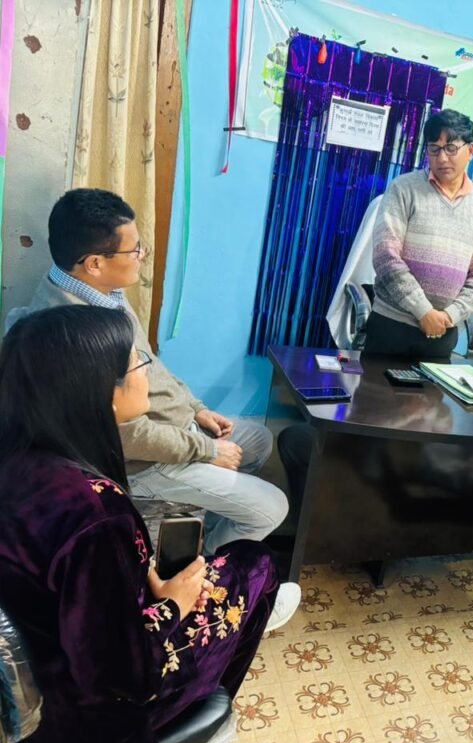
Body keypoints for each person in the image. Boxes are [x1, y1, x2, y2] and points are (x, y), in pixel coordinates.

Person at [0, 306, 280, 743]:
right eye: (137, 364)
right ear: (98, 393)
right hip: (87, 722)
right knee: (257, 564)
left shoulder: (19, 459)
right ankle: (193, 716)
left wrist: (132, 575)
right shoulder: (95, 513)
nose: (146, 373)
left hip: (32, 678)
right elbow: (121, 674)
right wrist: (174, 605)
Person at [7, 188, 301, 622]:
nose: (142, 256)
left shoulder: (104, 291)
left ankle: (199, 541)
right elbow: (125, 434)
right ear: (95, 262)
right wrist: (205, 450)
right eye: (135, 250)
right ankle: (207, 583)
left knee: (256, 441)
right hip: (145, 459)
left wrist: (196, 409)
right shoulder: (72, 333)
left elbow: (153, 366)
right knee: (273, 507)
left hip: (174, 429)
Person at [364, 108, 473, 358]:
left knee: (432, 388)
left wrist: (450, 315)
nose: (442, 158)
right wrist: (423, 310)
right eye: (434, 149)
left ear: (470, 151)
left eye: (451, 148)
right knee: (374, 386)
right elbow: (385, 256)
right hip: (391, 327)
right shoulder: (403, 189)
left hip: (442, 334)